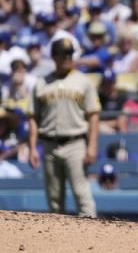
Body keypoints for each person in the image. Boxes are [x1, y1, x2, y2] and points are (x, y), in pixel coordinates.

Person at [26, 38, 99, 217]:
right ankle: (57, 243)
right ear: (54, 56)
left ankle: (92, 240)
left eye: (70, 54)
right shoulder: (41, 83)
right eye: (63, 54)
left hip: (75, 144)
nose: (67, 57)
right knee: (54, 200)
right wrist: (33, 148)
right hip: (49, 145)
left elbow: (94, 116)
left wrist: (92, 146)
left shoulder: (83, 81)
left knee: (83, 197)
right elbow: (33, 118)